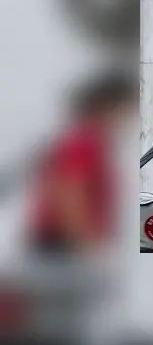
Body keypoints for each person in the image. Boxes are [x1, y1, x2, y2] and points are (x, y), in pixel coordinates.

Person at [28, 70, 135, 255]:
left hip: (64, 243)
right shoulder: (84, 142)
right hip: (63, 244)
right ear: (107, 107)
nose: (126, 120)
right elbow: (70, 193)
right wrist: (87, 245)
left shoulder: (89, 141)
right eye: (125, 111)